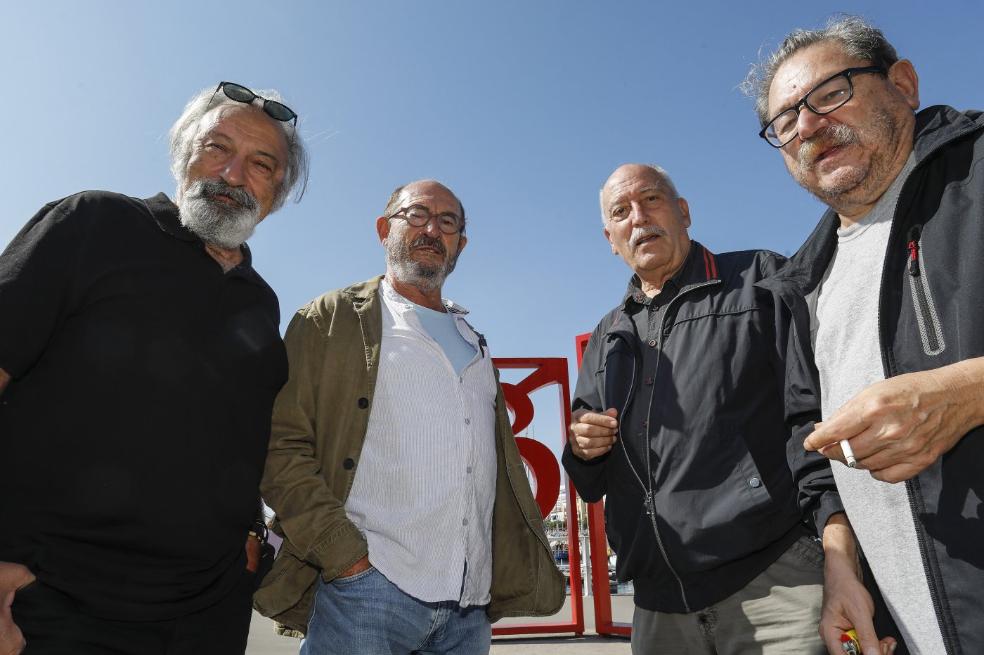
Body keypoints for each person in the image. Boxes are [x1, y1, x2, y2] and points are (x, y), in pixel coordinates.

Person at [0, 81, 308, 655]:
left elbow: (239, 434)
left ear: (277, 192)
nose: (234, 175)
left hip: (209, 613)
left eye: (261, 164)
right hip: (53, 604)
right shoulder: (92, 223)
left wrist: (248, 534)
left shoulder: (260, 303)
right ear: (182, 155)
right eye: (217, 148)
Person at [747, 15, 984, 654]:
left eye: (830, 94)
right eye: (786, 120)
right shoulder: (800, 287)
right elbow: (814, 449)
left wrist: (969, 391)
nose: (808, 126)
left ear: (903, 84)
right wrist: (841, 563)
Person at [253, 179, 564, 655]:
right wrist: (346, 558)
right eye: (415, 215)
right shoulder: (331, 319)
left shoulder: (475, 341)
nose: (430, 230)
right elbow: (280, 445)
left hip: (469, 609)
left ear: (461, 242)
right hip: (366, 594)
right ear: (384, 229)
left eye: (447, 222)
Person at [563, 163, 837, 654]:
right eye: (621, 212)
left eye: (651, 200)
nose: (639, 218)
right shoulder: (606, 336)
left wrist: (835, 542)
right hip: (659, 606)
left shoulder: (759, 279)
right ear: (610, 238)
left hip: (774, 583)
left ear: (683, 211)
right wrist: (582, 448)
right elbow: (590, 482)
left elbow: (814, 415)